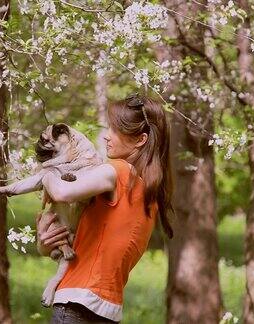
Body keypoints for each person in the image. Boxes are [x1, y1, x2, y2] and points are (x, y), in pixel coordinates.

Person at [37, 93, 173, 323]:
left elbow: (61, 191)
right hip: (108, 310)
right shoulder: (151, 196)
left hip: (75, 304)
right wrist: (45, 242)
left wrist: (46, 173)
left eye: (114, 130)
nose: (106, 137)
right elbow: (93, 244)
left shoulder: (117, 171)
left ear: (140, 139)